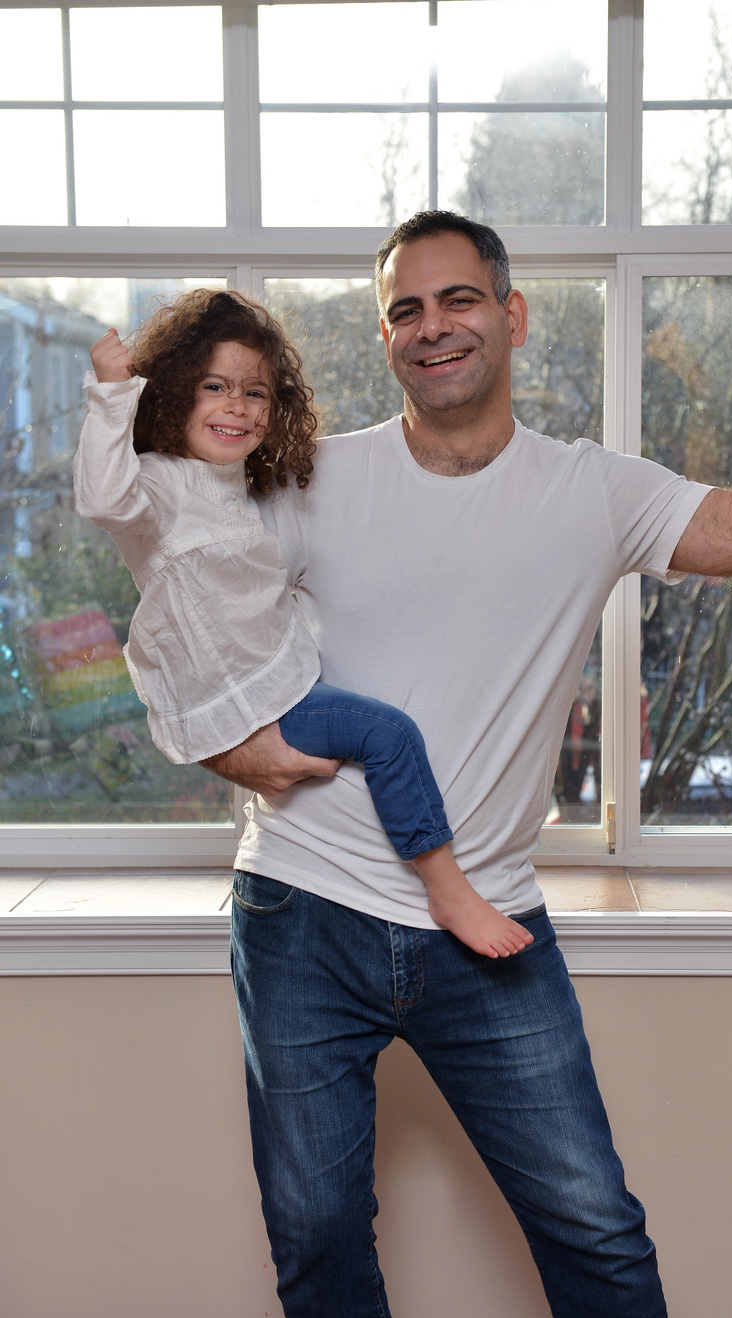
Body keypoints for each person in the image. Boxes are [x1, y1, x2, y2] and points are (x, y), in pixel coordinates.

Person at [203, 214, 732, 1318]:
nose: (432, 326)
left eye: (458, 299)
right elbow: (185, 625)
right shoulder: (310, 478)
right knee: (315, 1238)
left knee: (596, 1231)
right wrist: (228, 745)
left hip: (489, 919)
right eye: (406, 309)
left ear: (510, 316)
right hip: (305, 911)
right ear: (385, 338)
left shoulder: (596, 492)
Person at [73, 288, 533, 959]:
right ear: (172, 394)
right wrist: (113, 393)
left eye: (255, 393)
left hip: (280, 682)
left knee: (380, 732)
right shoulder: (161, 485)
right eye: (214, 387)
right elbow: (102, 498)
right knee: (389, 735)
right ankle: (448, 890)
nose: (237, 406)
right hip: (254, 701)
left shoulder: (236, 484)